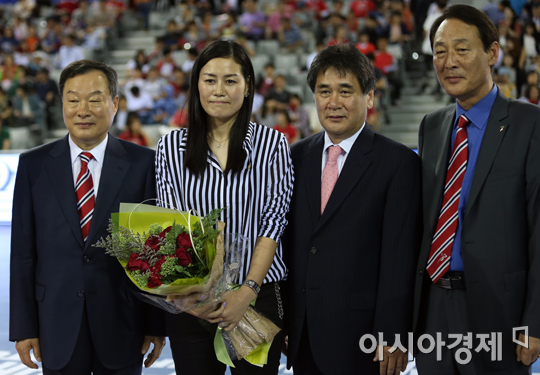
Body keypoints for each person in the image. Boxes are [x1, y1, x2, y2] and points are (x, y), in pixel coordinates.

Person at [9, 59, 166, 374]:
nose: (83, 109)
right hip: (56, 321)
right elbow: (23, 253)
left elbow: (153, 252)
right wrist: (24, 327)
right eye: (73, 100)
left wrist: (156, 324)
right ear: (62, 104)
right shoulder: (33, 165)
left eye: (95, 99)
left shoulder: (144, 163)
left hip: (124, 321)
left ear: (114, 103)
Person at [413, 5, 540, 374]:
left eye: (462, 49)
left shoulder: (529, 123)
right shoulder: (432, 126)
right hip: (435, 311)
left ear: (492, 53)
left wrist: (534, 321)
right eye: (440, 51)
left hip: (502, 313)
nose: (448, 61)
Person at [155, 40, 294, 375]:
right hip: (192, 304)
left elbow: (273, 223)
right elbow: (171, 228)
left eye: (231, 81)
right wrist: (196, 301)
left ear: (247, 88)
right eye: (210, 80)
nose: (219, 90)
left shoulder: (272, 145)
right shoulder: (171, 147)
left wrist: (246, 292)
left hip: (256, 300)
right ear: (196, 85)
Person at [283, 43, 421, 375]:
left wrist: (394, 335)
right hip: (302, 335)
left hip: (365, 340)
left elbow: (399, 258)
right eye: (324, 91)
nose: (333, 102)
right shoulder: (294, 157)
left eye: (346, 91)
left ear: (369, 97)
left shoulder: (397, 162)